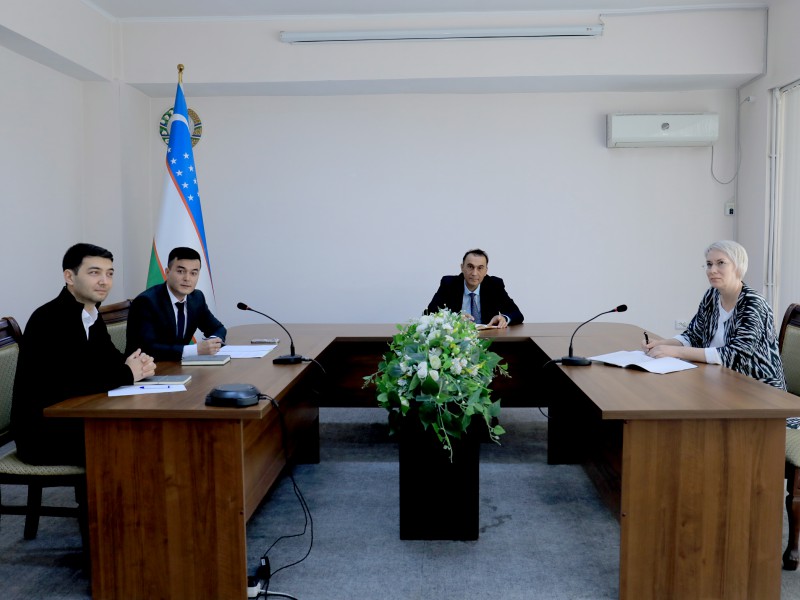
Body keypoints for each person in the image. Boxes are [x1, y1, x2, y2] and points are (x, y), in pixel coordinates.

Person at [11, 243, 156, 466]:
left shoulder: (90, 313)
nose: (104, 281)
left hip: (78, 417)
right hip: (44, 432)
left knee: (151, 431)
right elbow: (72, 381)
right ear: (69, 277)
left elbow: (108, 359)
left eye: (109, 274)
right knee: (138, 442)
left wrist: (138, 364)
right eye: (94, 273)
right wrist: (127, 373)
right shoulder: (48, 319)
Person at [644, 240, 786, 390]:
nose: (712, 270)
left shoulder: (753, 303)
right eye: (709, 264)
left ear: (738, 266)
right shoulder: (712, 295)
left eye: (720, 263)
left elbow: (736, 355)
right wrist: (662, 344)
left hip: (758, 387)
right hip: (720, 379)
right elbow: (694, 335)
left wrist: (676, 352)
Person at [126, 246, 226, 361]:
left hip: (179, 365)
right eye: (180, 271)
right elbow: (147, 349)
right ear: (167, 272)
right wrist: (195, 350)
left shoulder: (196, 298)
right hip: (148, 367)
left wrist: (212, 343)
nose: (187, 278)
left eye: (193, 273)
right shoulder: (146, 302)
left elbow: (218, 328)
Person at [426, 248, 524, 328]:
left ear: (486, 271)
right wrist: (454, 318)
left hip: (488, 338)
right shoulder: (449, 284)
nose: (474, 273)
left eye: (480, 268)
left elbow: (517, 314)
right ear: (462, 267)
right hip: (457, 339)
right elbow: (429, 313)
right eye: (470, 267)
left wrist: (503, 318)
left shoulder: (494, 285)